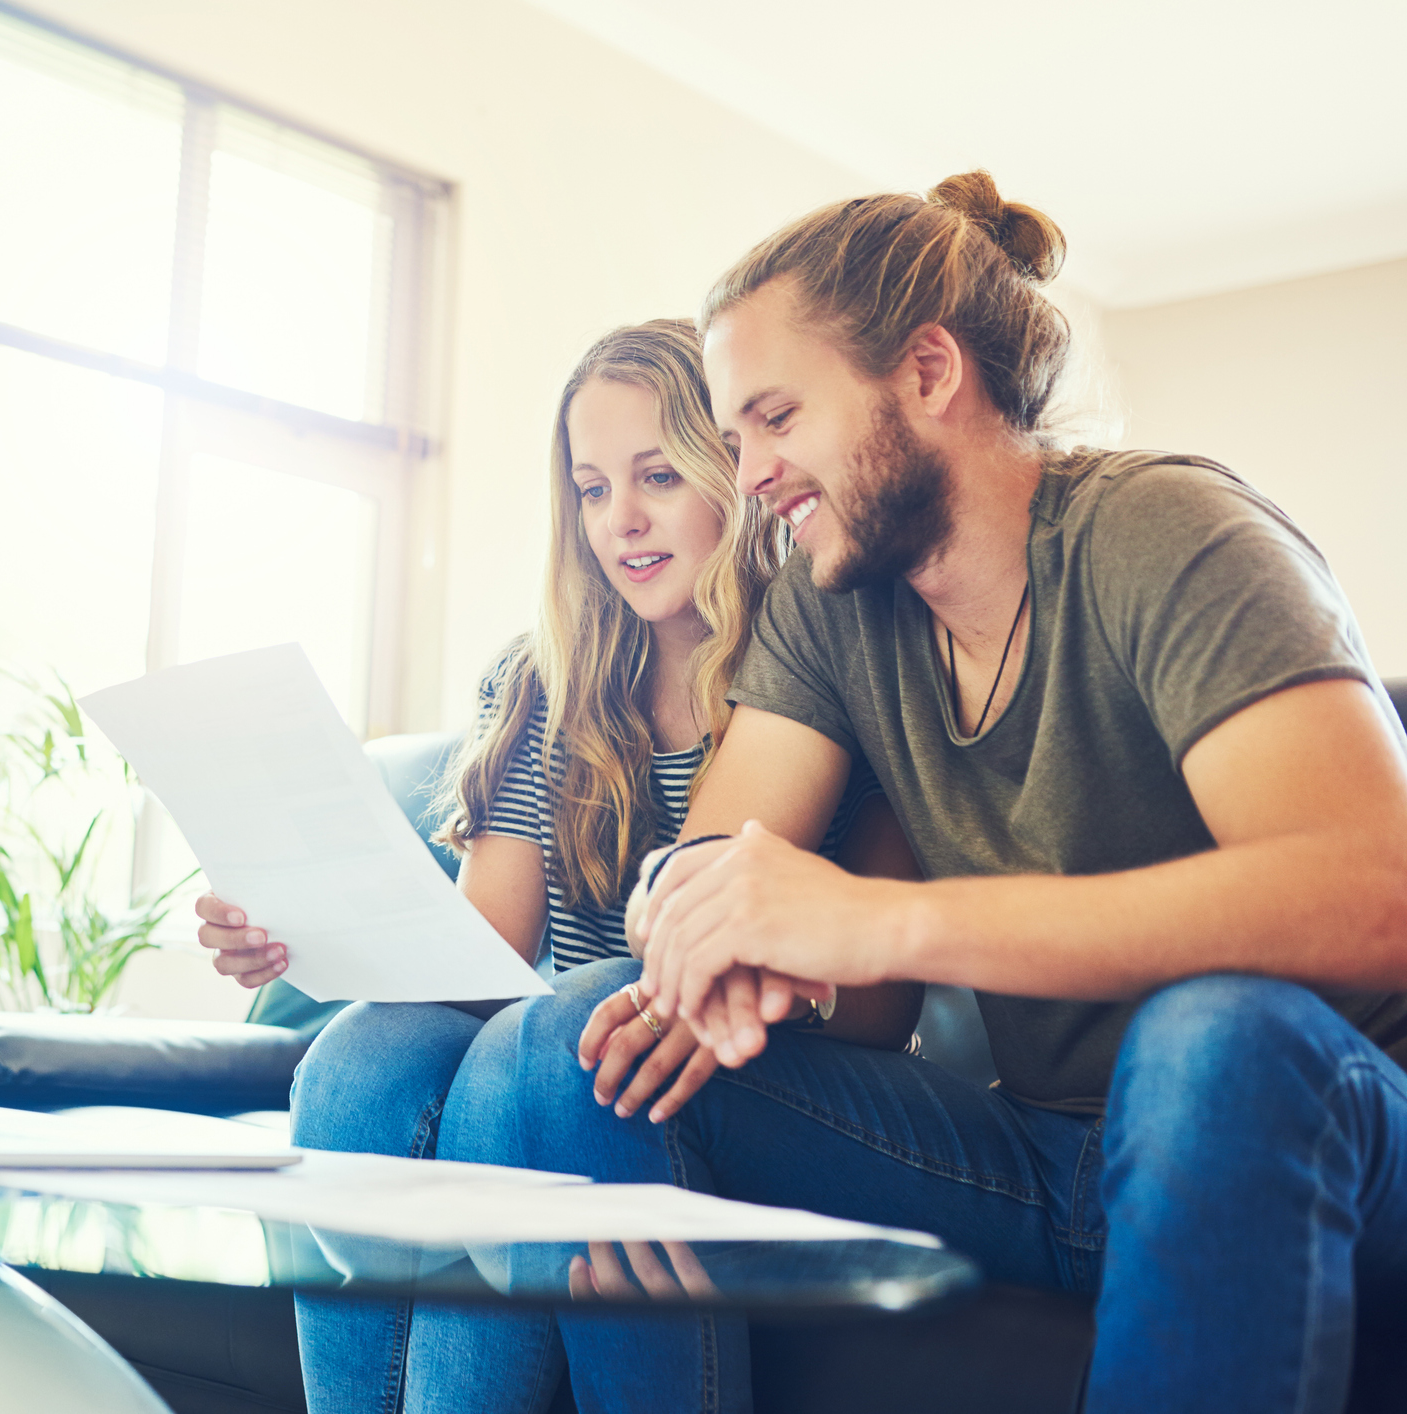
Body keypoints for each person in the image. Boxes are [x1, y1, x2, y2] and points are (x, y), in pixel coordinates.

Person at [489, 171, 1407, 1412]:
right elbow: (711, 866)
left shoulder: (1167, 534)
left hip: (1311, 1125)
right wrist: (698, 924)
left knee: (1211, 1037)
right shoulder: (831, 608)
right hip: (1035, 1153)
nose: (747, 470)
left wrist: (878, 921)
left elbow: (1372, 891)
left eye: (773, 416)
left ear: (927, 375)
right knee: (577, 1044)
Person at [193, 318, 921, 1412]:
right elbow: (488, 948)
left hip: (711, 1055)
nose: (618, 519)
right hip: (559, 1044)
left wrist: (743, 980)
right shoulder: (545, 680)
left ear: (733, 468)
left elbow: (881, 1012)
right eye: (589, 488)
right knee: (358, 1057)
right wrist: (312, 927)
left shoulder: (818, 666)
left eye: (658, 475)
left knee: (529, 1054)